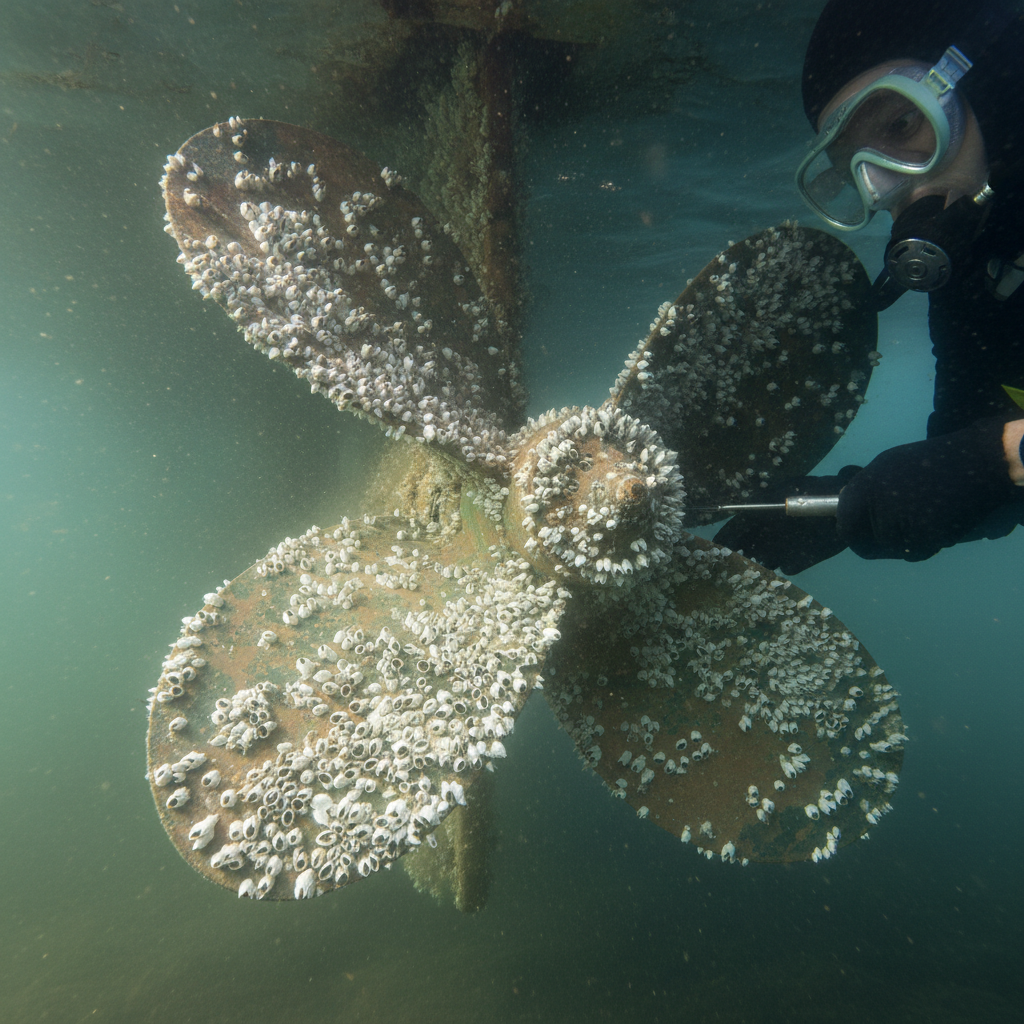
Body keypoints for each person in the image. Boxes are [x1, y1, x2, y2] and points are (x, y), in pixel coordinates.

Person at [715, 0, 1024, 573]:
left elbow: (993, 456)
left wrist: (999, 459)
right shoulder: (972, 280)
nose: (889, 185)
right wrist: (849, 505)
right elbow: (974, 451)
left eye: (903, 125)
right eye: (855, 163)